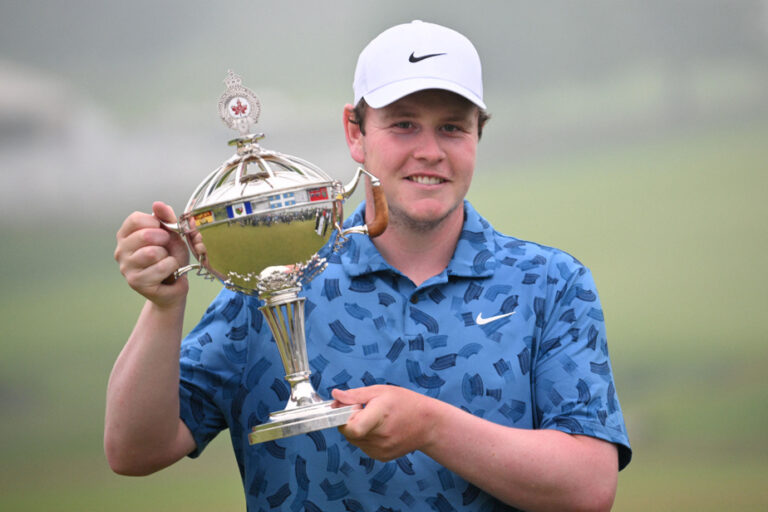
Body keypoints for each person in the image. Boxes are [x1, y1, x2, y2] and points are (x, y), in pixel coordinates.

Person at [106, 20, 631, 511]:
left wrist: (431, 427)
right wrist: (162, 307)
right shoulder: (274, 275)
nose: (430, 151)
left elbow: (589, 485)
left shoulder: (550, 284)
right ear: (354, 132)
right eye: (403, 125)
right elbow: (135, 451)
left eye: (452, 128)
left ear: (478, 136)